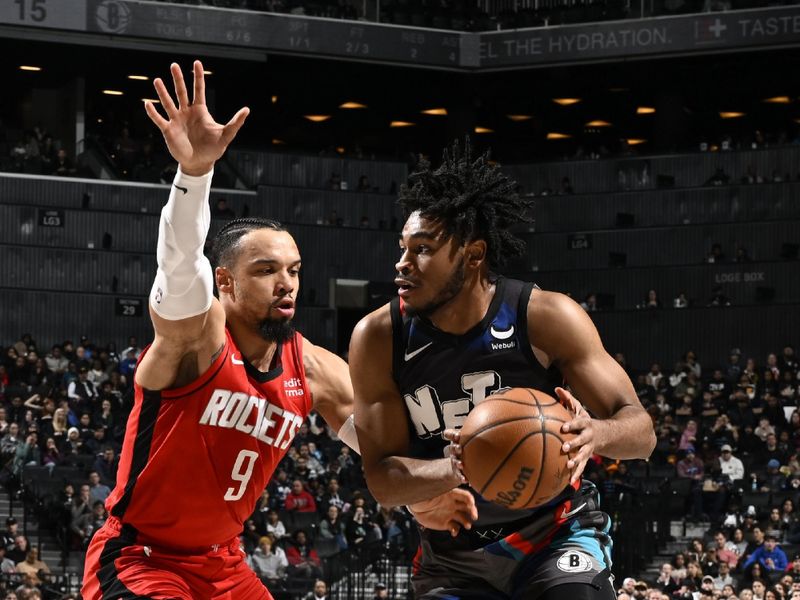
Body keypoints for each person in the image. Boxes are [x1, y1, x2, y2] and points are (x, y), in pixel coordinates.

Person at [82, 60, 358, 600]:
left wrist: (446, 477)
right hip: (142, 558)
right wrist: (195, 174)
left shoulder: (316, 368)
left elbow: (383, 448)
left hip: (224, 568)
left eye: (294, 271)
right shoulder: (200, 333)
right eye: (267, 270)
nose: (287, 284)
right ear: (226, 281)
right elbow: (181, 261)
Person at [349, 141, 656, 600]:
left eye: (423, 249)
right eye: (403, 248)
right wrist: (456, 467)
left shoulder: (545, 316)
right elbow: (382, 479)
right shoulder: (378, 337)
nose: (402, 263)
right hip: (454, 557)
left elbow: (643, 433)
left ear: (473, 256)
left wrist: (596, 434)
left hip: (554, 535)